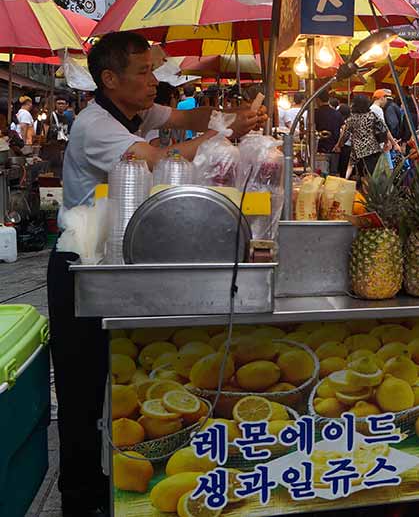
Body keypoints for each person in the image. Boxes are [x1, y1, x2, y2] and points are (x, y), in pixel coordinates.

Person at [52, 31, 263, 517]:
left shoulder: (137, 112)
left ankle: (116, 483)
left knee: (120, 380)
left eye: (154, 70)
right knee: (83, 390)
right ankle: (80, 499)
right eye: (143, 72)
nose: (154, 81)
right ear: (110, 79)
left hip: (119, 261)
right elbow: (160, 159)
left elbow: (187, 118)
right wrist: (220, 138)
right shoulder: (95, 125)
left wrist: (232, 116)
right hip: (81, 265)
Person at [334, 93, 389, 178]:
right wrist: (386, 142)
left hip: (358, 151)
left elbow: (346, 134)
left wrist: (339, 145)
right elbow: (383, 129)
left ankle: (356, 184)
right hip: (373, 149)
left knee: (358, 172)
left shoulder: (352, 118)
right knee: (374, 174)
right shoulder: (372, 115)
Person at [314, 91, 345, 172]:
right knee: (333, 174)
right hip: (334, 149)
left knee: (321, 174)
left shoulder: (315, 113)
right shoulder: (337, 113)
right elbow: (344, 128)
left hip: (320, 150)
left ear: (318, 100)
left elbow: (312, 129)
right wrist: (338, 144)